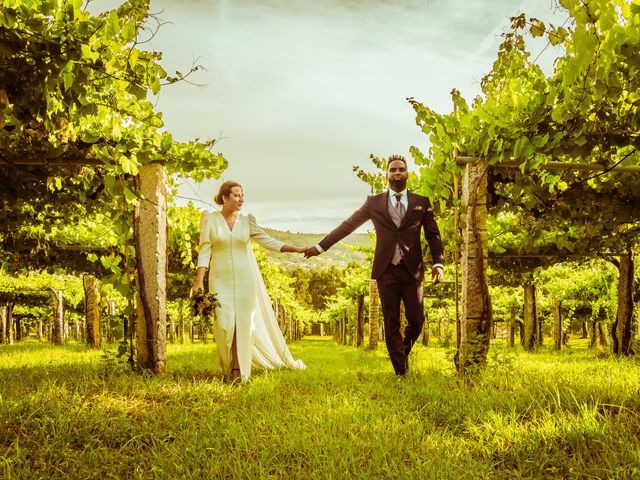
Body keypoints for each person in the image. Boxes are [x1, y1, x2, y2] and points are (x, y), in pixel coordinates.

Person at [305, 155, 444, 376]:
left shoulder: (421, 202)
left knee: (417, 320)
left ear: (407, 173)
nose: (397, 173)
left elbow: (433, 235)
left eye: (401, 169)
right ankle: (401, 373)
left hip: (412, 270)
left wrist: (438, 263)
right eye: (393, 170)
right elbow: (348, 225)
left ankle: (402, 353)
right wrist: (321, 247)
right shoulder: (374, 203)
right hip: (386, 270)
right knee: (391, 322)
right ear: (387, 175)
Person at [192, 180, 307, 381]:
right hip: (220, 279)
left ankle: (239, 371)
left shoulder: (247, 221)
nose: (241, 198)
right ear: (225, 197)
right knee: (224, 325)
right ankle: (229, 366)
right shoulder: (210, 220)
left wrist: (296, 249)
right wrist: (199, 281)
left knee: (244, 325)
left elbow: (268, 241)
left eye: (242, 195)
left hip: (245, 279)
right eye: (236, 195)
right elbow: (204, 252)